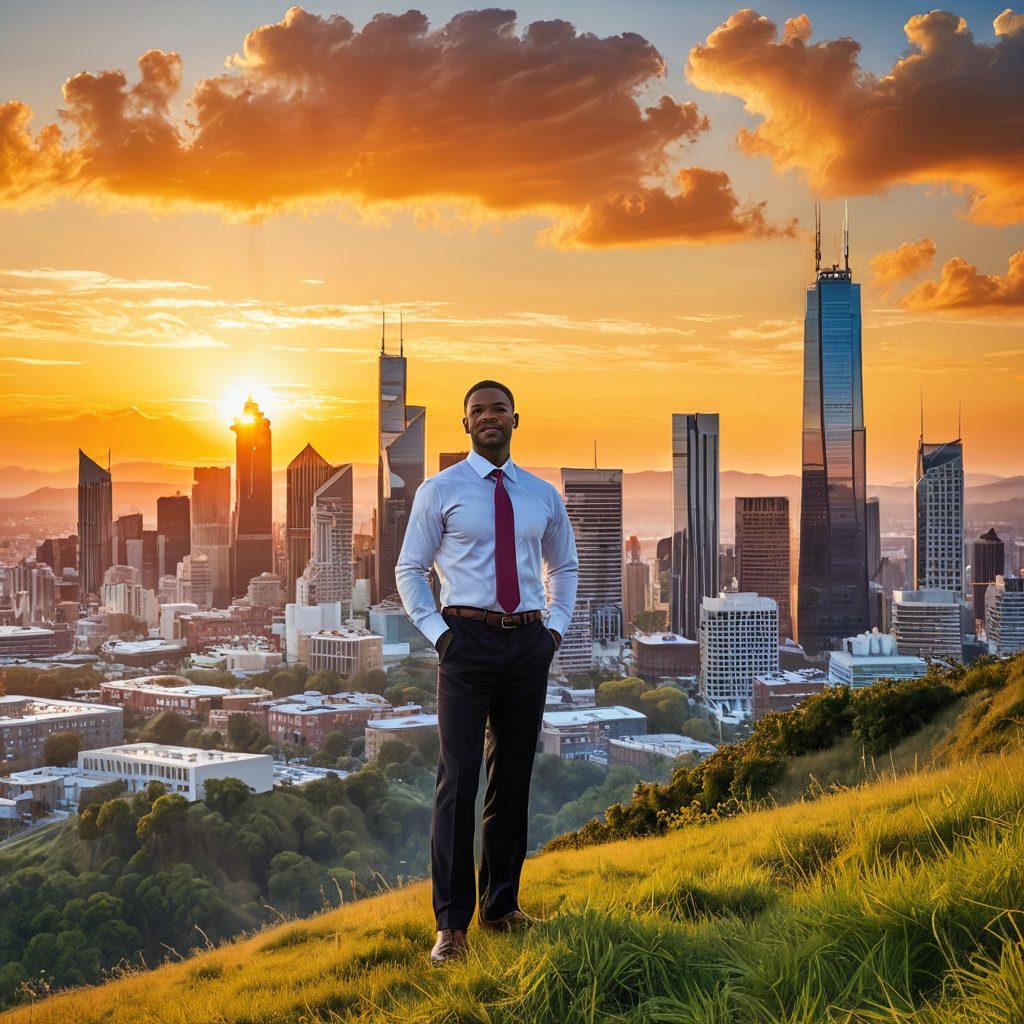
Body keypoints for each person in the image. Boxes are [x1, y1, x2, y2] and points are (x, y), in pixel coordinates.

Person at [395, 379, 579, 965]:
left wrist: (554, 630)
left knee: (514, 776)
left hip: (528, 642)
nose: (489, 417)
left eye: (498, 408)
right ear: (465, 423)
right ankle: (451, 926)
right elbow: (408, 569)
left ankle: (502, 908)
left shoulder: (541, 495)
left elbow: (565, 566)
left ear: (515, 418)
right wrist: (441, 636)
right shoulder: (439, 491)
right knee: (459, 778)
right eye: (478, 410)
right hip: (466, 642)